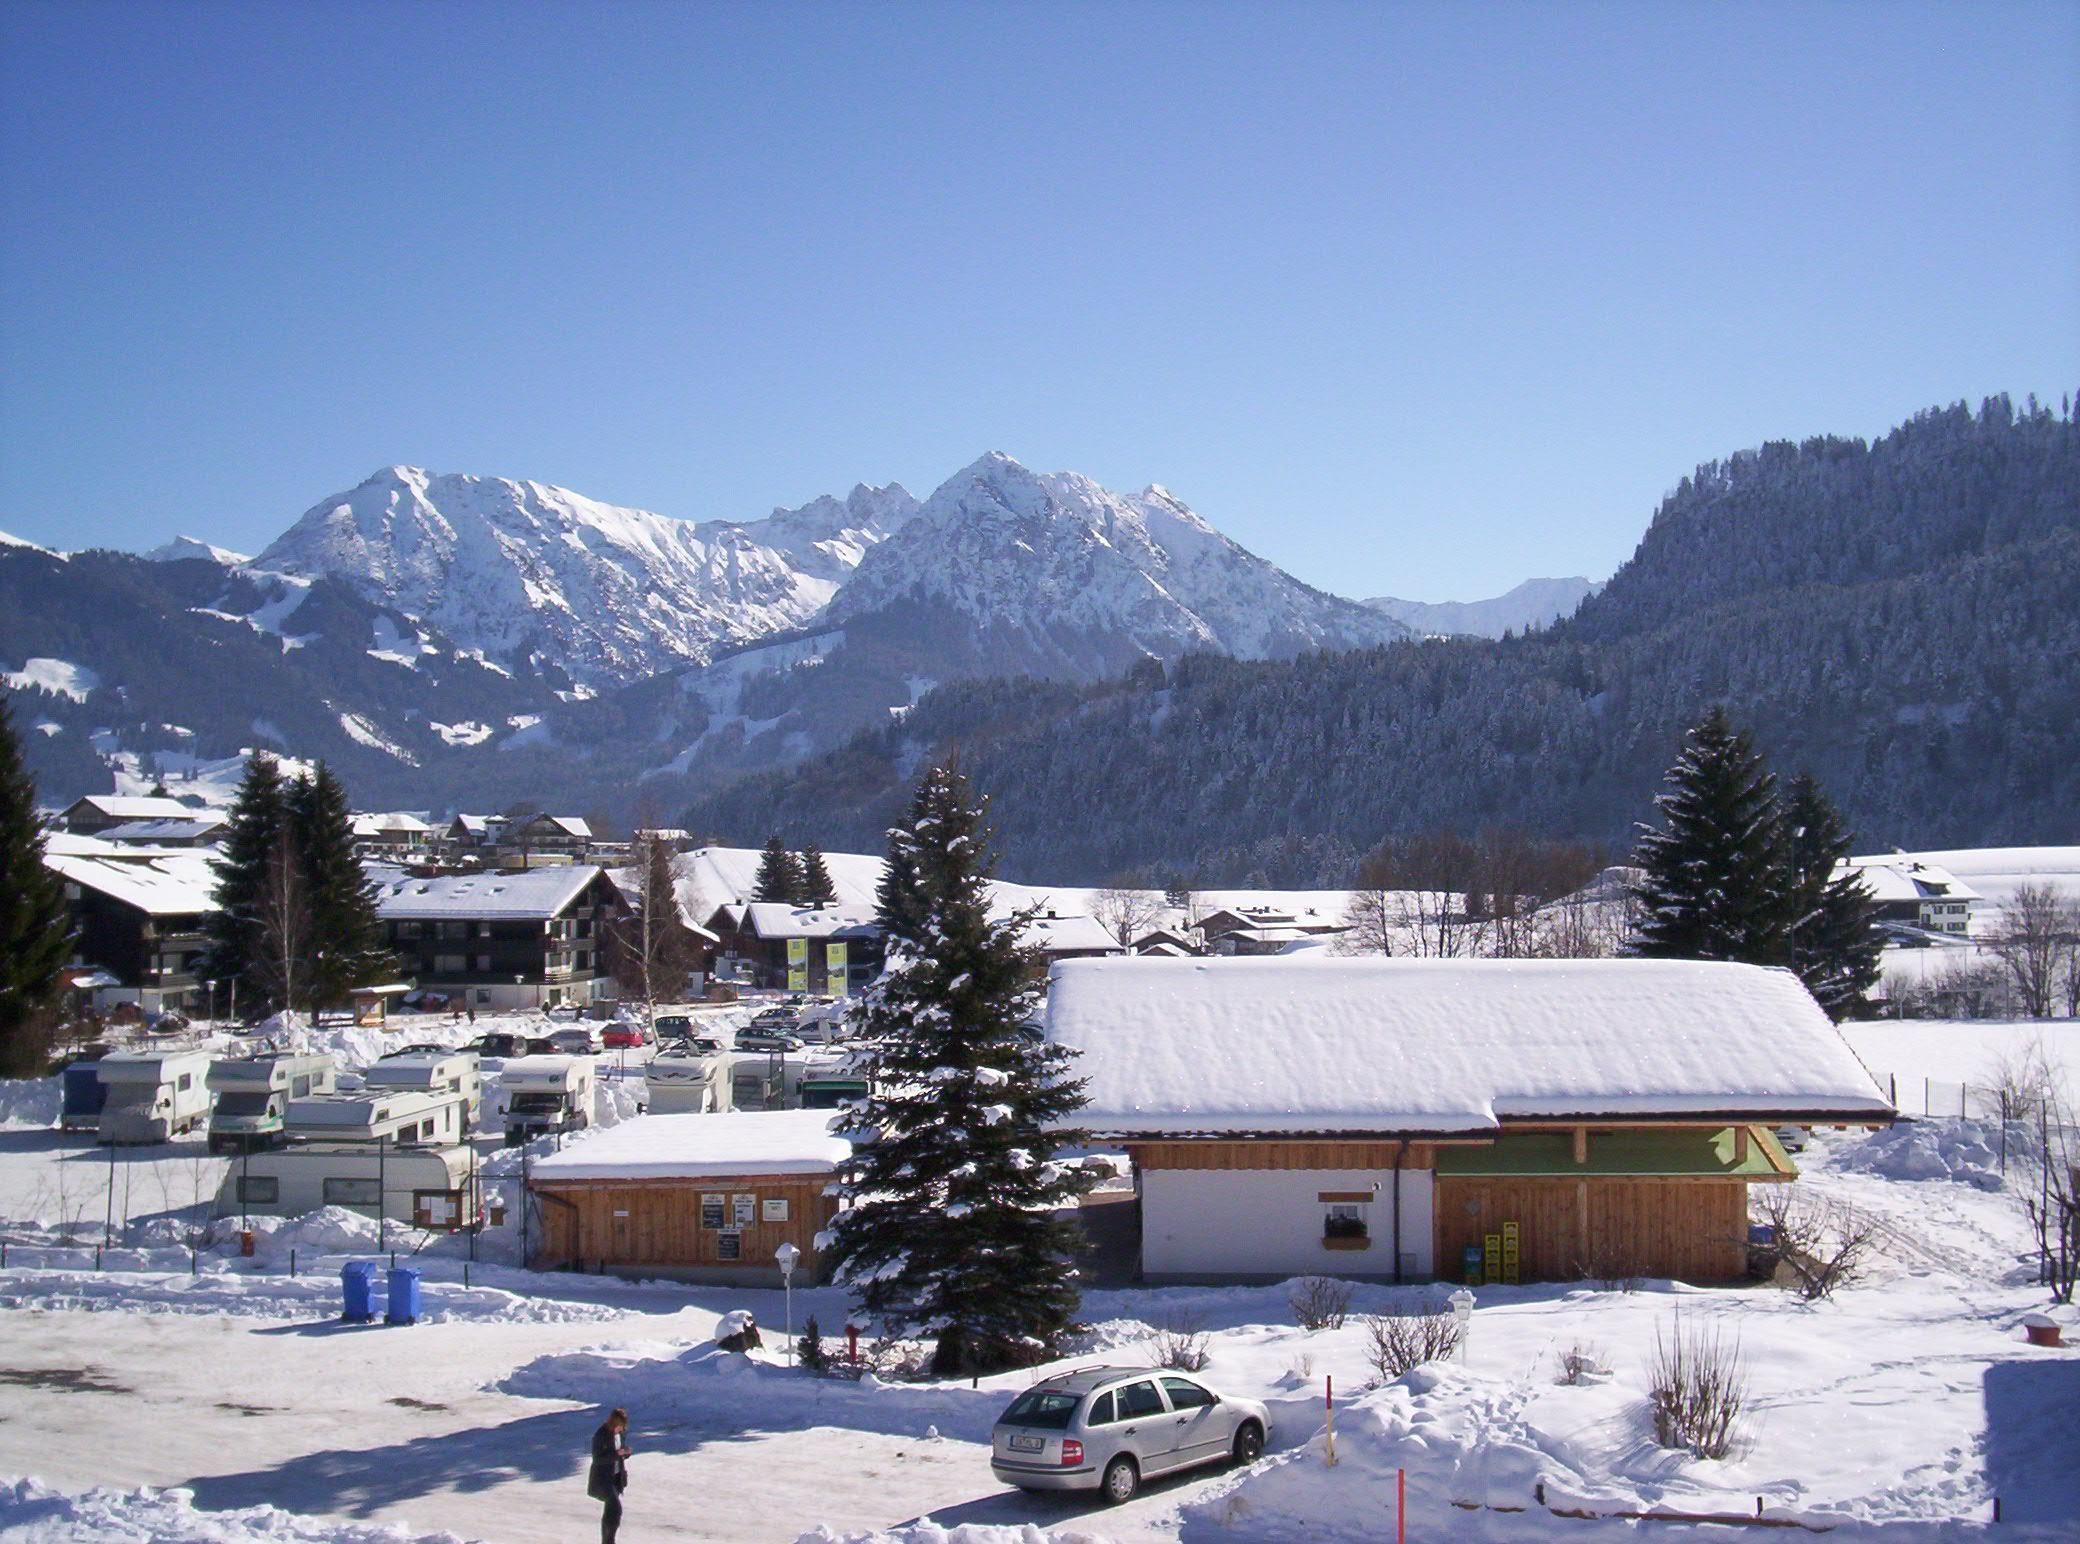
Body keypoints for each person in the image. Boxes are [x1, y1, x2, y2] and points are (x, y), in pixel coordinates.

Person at [587, 1406, 630, 1542]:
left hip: (616, 1478)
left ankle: (607, 1541)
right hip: (603, 1479)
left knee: (610, 1512)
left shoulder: (620, 1434)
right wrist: (616, 1454)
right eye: (619, 1426)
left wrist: (625, 1453)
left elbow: (619, 1454)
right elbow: (598, 1459)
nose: (621, 1430)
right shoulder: (600, 1435)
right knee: (616, 1509)